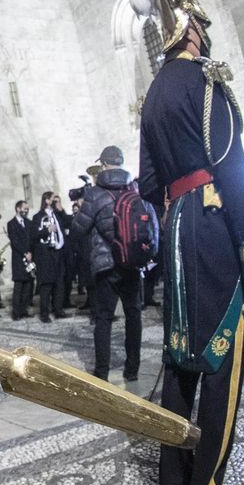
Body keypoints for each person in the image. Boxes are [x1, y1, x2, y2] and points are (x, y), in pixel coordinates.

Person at [128, 0, 244, 485]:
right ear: (189, 29)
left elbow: (151, 184)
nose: (206, 36)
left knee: (180, 357)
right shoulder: (207, 84)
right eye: (202, 26)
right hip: (211, 226)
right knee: (223, 358)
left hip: (178, 230)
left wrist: (174, 229)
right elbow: (233, 173)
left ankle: (169, 483)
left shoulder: (154, 94)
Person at [72, 146, 142, 383]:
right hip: (132, 262)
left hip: (106, 263)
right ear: (121, 163)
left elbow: (78, 229)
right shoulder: (134, 187)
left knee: (103, 318)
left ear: (103, 165)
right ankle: (132, 369)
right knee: (133, 315)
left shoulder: (94, 193)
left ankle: (102, 372)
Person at [33, 192, 67, 323]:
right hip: (46, 254)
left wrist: (61, 208)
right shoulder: (38, 217)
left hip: (58, 252)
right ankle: (44, 313)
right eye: (53, 199)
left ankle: (58, 310)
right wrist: (47, 230)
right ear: (46, 200)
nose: (55, 201)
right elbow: (34, 235)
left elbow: (68, 222)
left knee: (59, 283)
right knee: (46, 285)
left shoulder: (57, 215)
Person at [7, 201, 34, 319]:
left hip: (29, 257)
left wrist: (31, 252)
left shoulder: (29, 222)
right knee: (19, 286)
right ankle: (16, 312)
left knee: (28, 285)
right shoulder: (11, 224)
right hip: (18, 258)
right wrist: (24, 252)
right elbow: (15, 241)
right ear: (18, 209)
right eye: (24, 208)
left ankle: (24, 310)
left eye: (27, 208)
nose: (26, 210)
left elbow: (32, 239)